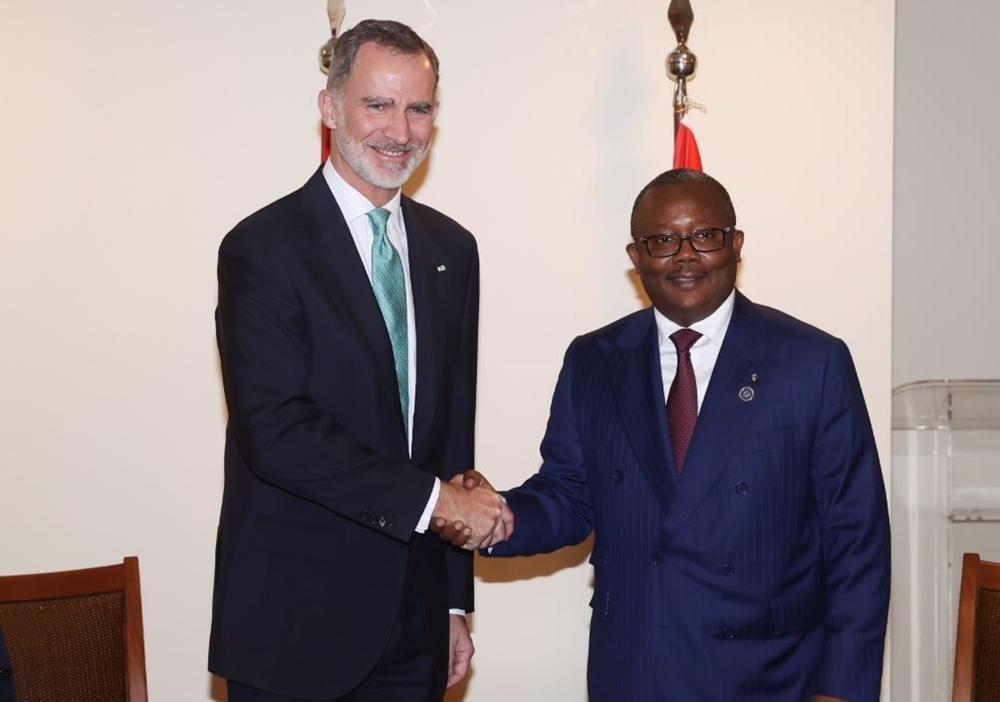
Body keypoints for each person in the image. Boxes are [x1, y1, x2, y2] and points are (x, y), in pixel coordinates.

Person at [435, 169, 890, 701]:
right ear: (636, 257)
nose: (685, 255)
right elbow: (568, 496)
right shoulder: (594, 360)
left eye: (704, 236)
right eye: (662, 241)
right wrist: (493, 520)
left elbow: (857, 543)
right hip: (634, 671)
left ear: (735, 244)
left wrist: (842, 690)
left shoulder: (811, 361)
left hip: (771, 677)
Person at [209, 19, 510, 702]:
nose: (399, 131)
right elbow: (277, 434)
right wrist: (437, 504)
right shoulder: (262, 249)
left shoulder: (452, 250)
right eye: (378, 104)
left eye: (419, 108)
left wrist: (454, 601)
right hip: (294, 626)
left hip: (417, 626)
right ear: (330, 107)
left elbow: (450, 432)